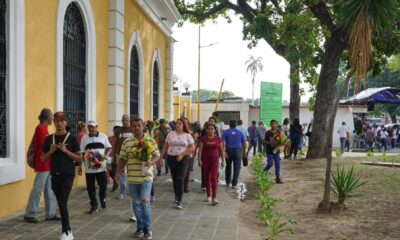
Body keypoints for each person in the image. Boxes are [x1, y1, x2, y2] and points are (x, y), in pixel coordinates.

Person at [117, 118, 160, 240]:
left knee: (145, 202)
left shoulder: (150, 140)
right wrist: (118, 172)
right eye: (134, 126)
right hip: (132, 178)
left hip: (146, 177)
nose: (136, 128)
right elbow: (123, 158)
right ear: (131, 128)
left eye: (138, 125)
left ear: (143, 127)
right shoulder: (127, 142)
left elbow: (157, 155)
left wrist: (151, 161)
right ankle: (140, 227)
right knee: (136, 204)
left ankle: (148, 229)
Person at [41, 111, 82, 240]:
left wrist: (65, 151)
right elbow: (42, 158)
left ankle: (66, 232)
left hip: (68, 175)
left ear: (66, 122)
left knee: (63, 202)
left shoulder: (72, 138)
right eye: (57, 120)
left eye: (62, 120)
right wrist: (51, 151)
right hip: (54, 175)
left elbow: (79, 159)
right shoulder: (49, 139)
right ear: (54, 122)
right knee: (61, 203)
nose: (59, 123)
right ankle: (68, 230)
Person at [24, 109, 59, 223]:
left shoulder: (44, 129)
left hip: (47, 163)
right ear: (47, 117)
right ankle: (30, 214)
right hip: (42, 163)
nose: (52, 119)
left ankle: (51, 213)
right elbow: (46, 144)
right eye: (51, 116)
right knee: (38, 189)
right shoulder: (40, 128)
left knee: (50, 189)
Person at [161, 118, 195, 209]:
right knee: (175, 178)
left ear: (184, 125)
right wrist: (161, 157)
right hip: (171, 158)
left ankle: (179, 200)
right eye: (177, 123)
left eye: (180, 123)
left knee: (180, 178)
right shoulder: (170, 134)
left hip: (183, 159)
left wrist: (182, 154)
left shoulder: (187, 135)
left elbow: (192, 148)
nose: (178, 125)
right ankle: (176, 194)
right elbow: (165, 146)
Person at [80, 120, 112, 214]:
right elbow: (82, 152)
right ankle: (94, 204)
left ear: (96, 127)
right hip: (89, 167)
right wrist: (81, 165)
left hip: (101, 166)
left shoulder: (103, 136)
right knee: (90, 187)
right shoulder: (84, 138)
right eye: (89, 127)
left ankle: (102, 198)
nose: (91, 129)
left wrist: (106, 156)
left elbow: (109, 148)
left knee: (103, 185)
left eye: (93, 127)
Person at [198, 124, 225, 205]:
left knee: (214, 178)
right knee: (207, 178)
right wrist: (199, 160)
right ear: (206, 130)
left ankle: (214, 198)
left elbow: (221, 151)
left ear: (214, 130)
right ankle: (208, 195)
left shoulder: (218, 139)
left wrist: (223, 161)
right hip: (205, 161)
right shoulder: (203, 139)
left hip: (215, 161)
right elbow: (200, 151)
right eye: (209, 129)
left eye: (212, 129)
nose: (210, 130)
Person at [113, 114, 132, 199]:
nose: (125, 121)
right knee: (121, 173)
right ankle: (123, 192)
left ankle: (132, 190)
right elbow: (115, 142)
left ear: (129, 121)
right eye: (123, 120)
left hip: (131, 154)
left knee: (131, 173)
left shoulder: (132, 129)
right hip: (120, 154)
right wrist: (114, 154)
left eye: (126, 120)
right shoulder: (118, 130)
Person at [223, 120, 247, 189]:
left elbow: (223, 143)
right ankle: (234, 184)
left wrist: (224, 152)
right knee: (237, 168)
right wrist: (244, 152)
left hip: (229, 151)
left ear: (229, 125)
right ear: (236, 125)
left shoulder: (226, 132)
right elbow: (244, 144)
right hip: (238, 151)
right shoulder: (240, 132)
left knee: (228, 167)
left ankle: (228, 182)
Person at [108, 126, 120, 191]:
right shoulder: (109, 138)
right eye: (115, 130)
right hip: (109, 157)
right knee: (110, 172)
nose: (116, 132)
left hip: (116, 157)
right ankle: (115, 182)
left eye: (118, 130)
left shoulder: (120, 139)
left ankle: (115, 184)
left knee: (114, 171)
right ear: (113, 130)